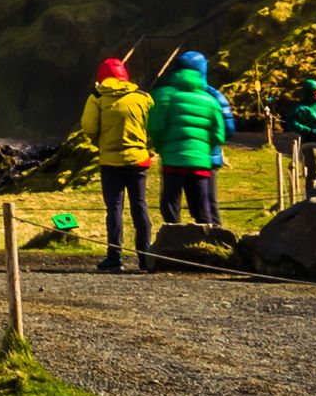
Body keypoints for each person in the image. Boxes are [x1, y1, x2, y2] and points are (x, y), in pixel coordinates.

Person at [77, 56, 157, 272]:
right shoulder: (143, 97)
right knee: (139, 206)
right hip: (138, 160)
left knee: (114, 208)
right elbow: (152, 126)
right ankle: (145, 256)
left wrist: (100, 141)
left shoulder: (97, 97)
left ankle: (114, 256)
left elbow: (89, 127)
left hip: (110, 162)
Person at [149, 51, 232, 228]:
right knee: (203, 208)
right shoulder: (210, 99)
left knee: (171, 205)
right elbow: (220, 133)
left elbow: (155, 126)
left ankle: (172, 241)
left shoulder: (164, 95)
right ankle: (208, 244)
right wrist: (206, 149)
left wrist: (161, 146)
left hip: (172, 160)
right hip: (201, 162)